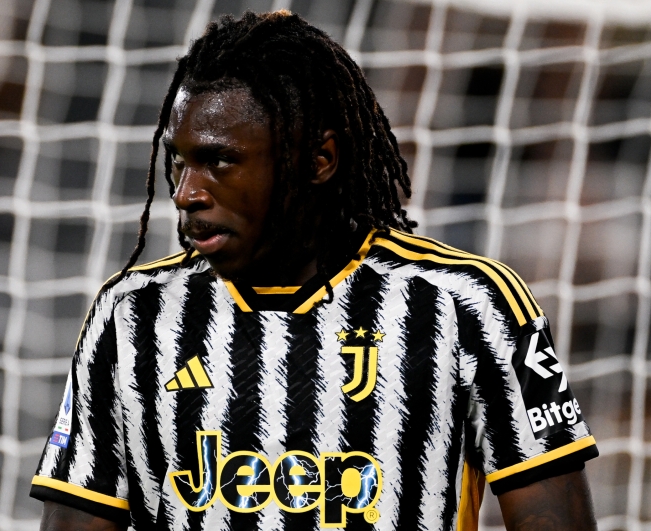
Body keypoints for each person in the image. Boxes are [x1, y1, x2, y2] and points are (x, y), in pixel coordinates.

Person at [30, 10, 598, 531]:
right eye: (178, 161)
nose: (186, 193)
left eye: (219, 160)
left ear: (318, 160)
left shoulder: (466, 305)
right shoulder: (132, 316)